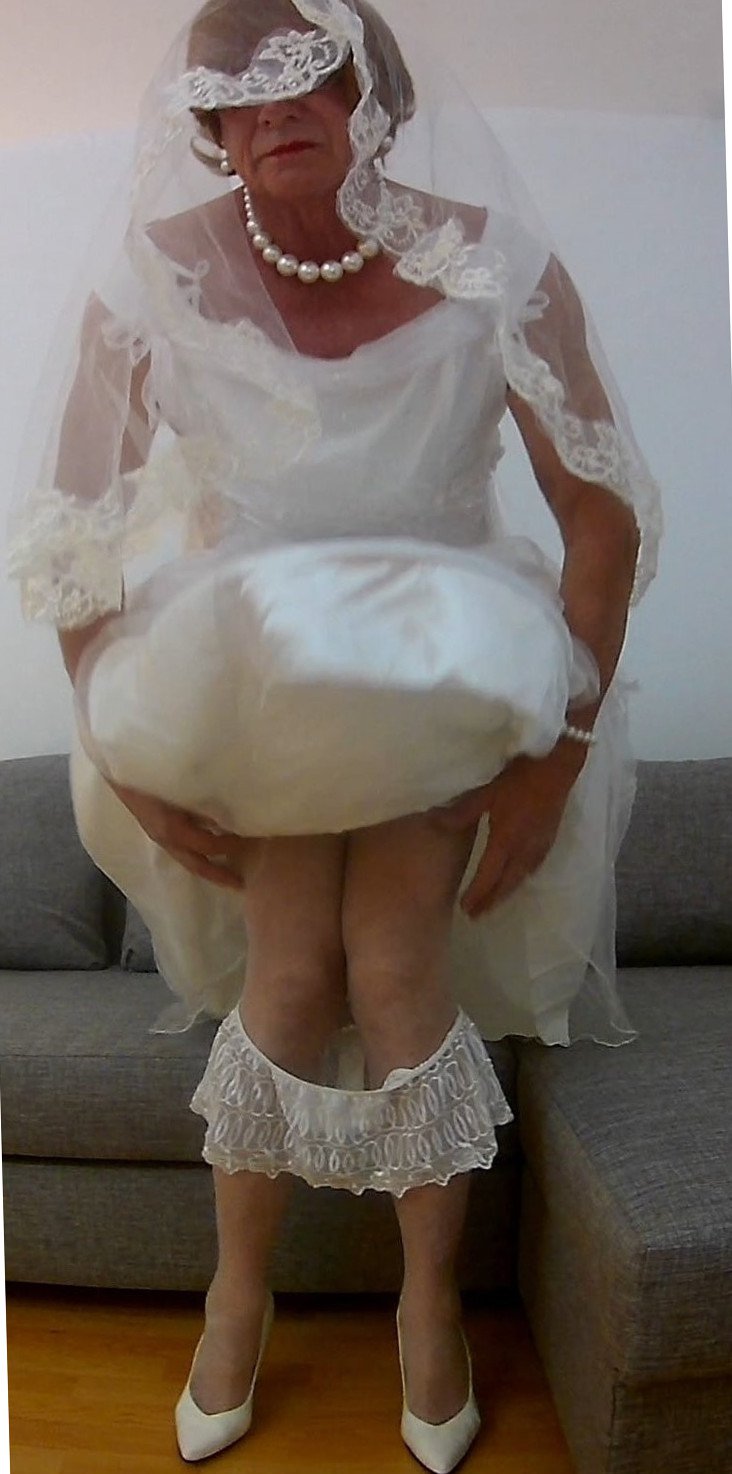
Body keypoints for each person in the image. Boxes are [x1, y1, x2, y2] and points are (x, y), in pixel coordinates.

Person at [7, 1, 662, 1468]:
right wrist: (126, 748)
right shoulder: (156, 272)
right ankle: (233, 1295)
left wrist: (560, 756)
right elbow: (73, 531)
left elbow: (601, 511)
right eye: (235, 92)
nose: (272, 111)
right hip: (260, 684)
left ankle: (429, 1308)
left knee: (395, 961)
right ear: (207, 128)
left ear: (373, 89)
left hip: (443, 668)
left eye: (307, 74)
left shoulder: (491, 262)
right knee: (295, 972)